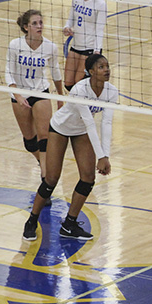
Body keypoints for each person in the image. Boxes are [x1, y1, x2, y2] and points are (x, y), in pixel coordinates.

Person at [22, 53, 117, 242]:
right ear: (91, 72)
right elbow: (90, 123)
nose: (106, 70)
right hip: (61, 128)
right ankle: (31, 221)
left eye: (107, 66)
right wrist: (101, 156)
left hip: (80, 131)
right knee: (51, 179)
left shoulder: (111, 91)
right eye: (101, 67)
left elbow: (106, 123)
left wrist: (105, 155)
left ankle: (69, 224)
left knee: (88, 178)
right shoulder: (79, 90)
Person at [6, 9, 64, 180]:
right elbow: (8, 72)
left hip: (40, 91)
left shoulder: (50, 47)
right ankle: (42, 161)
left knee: (44, 136)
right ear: (26, 27)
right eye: (35, 23)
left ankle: (45, 177)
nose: (39, 26)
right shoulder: (15, 45)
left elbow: (56, 72)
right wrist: (17, 95)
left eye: (41, 22)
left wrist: (60, 97)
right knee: (30, 141)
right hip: (19, 93)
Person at [63, 0, 107, 90]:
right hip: (76, 45)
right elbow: (71, 18)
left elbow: (100, 29)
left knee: (79, 84)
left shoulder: (100, 4)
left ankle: (85, 107)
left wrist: (96, 52)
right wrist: (67, 27)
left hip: (90, 48)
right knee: (68, 83)